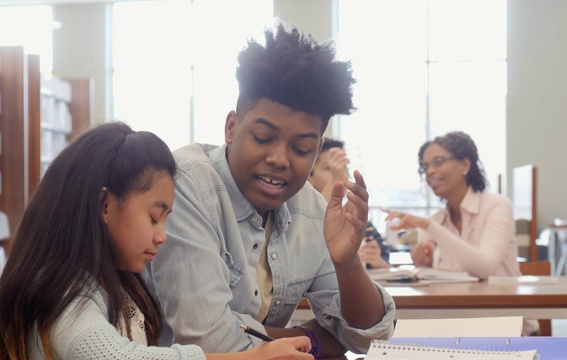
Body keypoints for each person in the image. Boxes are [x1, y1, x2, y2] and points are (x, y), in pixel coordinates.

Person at [147, 22, 395, 358]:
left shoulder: (311, 209)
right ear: (231, 128)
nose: (279, 159)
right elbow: (209, 342)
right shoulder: (187, 185)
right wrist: (318, 338)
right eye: (263, 138)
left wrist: (348, 262)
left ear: (317, 148)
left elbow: (369, 338)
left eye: (302, 148)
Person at [0, 122, 313, 359]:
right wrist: (249, 358)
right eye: (153, 217)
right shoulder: (64, 292)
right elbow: (111, 355)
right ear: (105, 205)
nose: (162, 236)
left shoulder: (116, 284)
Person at [383, 130, 539, 335]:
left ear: (465, 164)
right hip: (454, 325)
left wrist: (429, 227)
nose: (429, 172)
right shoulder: (436, 221)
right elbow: (438, 285)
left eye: (438, 162)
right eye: (425, 167)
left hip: (506, 325)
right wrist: (425, 266)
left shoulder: (497, 206)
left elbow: (484, 267)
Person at [308, 138, 391, 269]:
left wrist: (379, 263)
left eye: (343, 167)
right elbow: (311, 224)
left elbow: (387, 267)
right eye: (328, 168)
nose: (340, 172)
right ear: (309, 178)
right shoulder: (299, 221)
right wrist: (337, 179)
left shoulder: (360, 224)